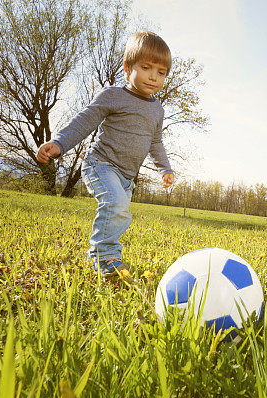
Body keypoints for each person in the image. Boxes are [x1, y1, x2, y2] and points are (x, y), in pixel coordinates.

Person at [36, 31, 175, 277]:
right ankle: (105, 258)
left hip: (127, 177)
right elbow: (85, 121)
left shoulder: (157, 110)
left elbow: (156, 142)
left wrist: (165, 168)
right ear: (127, 67)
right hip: (101, 164)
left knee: (119, 214)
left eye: (161, 72)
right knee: (116, 204)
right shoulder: (113, 95)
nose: (154, 76)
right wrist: (59, 143)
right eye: (146, 67)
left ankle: (108, 256)